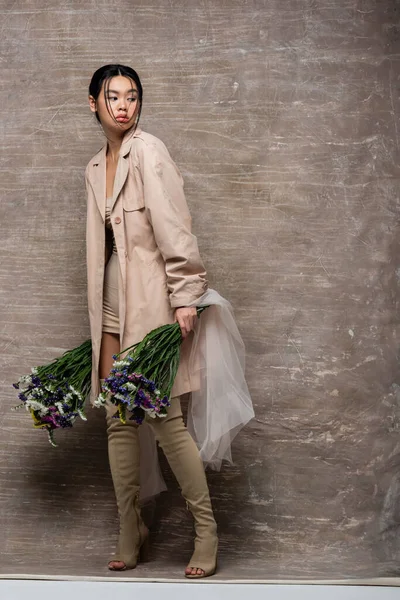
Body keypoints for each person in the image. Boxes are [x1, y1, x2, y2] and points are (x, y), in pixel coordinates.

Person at [85, 64, 218, 578]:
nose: (123, 105)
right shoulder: (95, 167)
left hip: (153, 302)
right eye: (112, 96)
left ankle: (206, 529)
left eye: (132, 96)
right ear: (93, 102)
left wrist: (186, 295)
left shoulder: (150, 151)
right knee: (118, 418)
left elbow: (175, 227)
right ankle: (130, 528)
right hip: (110, 305)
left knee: (164, 420)